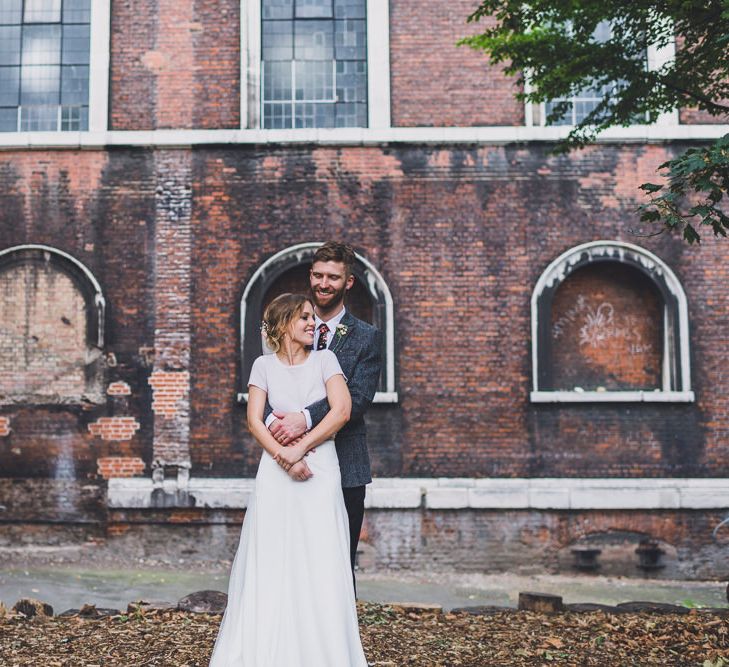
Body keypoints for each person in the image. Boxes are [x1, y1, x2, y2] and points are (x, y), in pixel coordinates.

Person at [209, 293, 368, 666]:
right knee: (274, 555)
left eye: (312, 318)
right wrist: (284, 458)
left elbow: (341, 411)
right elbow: (254, 420)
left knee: (319, 554)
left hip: (319, 468)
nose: (313, 324)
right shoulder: (262, 366)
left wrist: (300, 448)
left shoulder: (326, 360)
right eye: (304, 319)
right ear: (283, 326)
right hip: (276, 474)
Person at [266, 241, 382, 584]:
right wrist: (283, 438)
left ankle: (337, 636)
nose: (323, 283)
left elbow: (358, 398)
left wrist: (305, 417)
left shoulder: (366, 337)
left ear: (348, 282)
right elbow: (266, 385)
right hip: (283, 459)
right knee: (286, 556)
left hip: (345, 461)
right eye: (317, 275)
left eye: (333, 277)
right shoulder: (286, 325)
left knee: (337, 560)